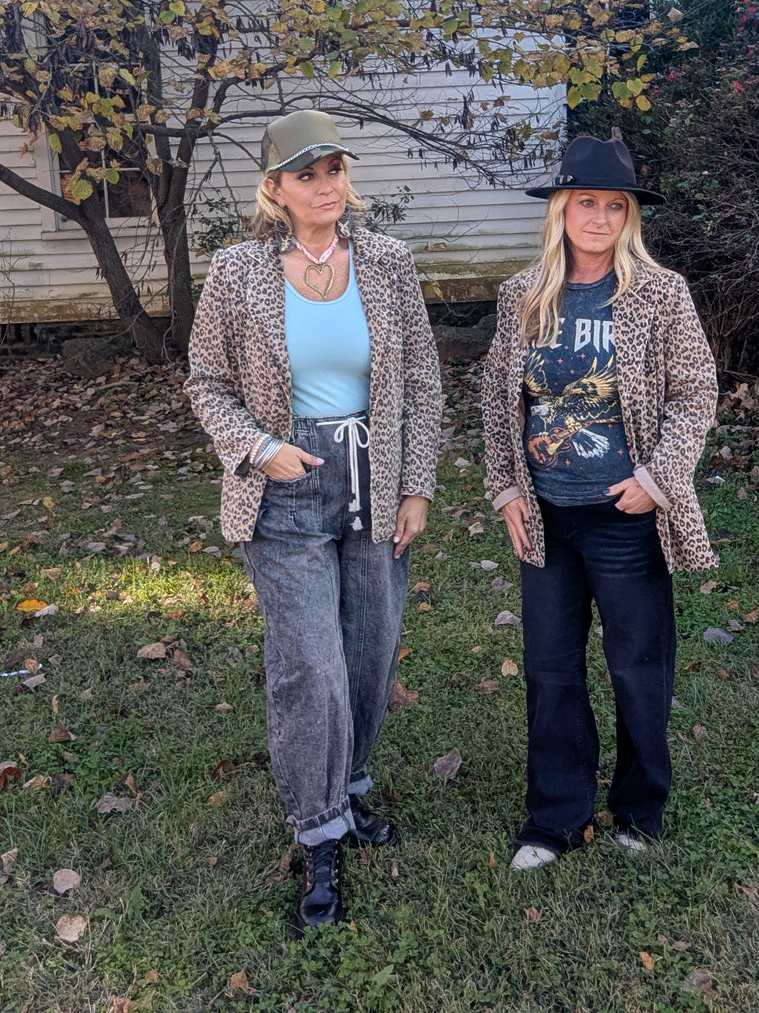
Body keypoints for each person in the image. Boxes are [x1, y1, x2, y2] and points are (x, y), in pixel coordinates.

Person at [185, 109, 441, 927]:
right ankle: (319, 833)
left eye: (333, 169)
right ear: (276, 189)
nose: (325, 186)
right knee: (312, 669)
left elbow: (425, 384)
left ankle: (348, 787)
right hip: (286, 489)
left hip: (377, 481)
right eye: (307, 174)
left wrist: (417, 486)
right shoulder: (237, 273)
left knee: (369, 657)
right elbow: (205, 383)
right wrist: (261, 446)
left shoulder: (390, 263)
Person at [480, 132, 718, 869]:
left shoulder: (659, 292)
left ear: (628, 217)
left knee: (638, 665)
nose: (599, 216)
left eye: (615, 205)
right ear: (561, 208)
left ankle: (639, 809)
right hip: (547, 518)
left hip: (625, 517)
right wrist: (507, 487)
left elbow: (696, 391)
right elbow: (497, 399)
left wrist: (657, 478)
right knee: (551, 669)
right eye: (586, 201)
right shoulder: (522, 294)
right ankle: (555, 816)